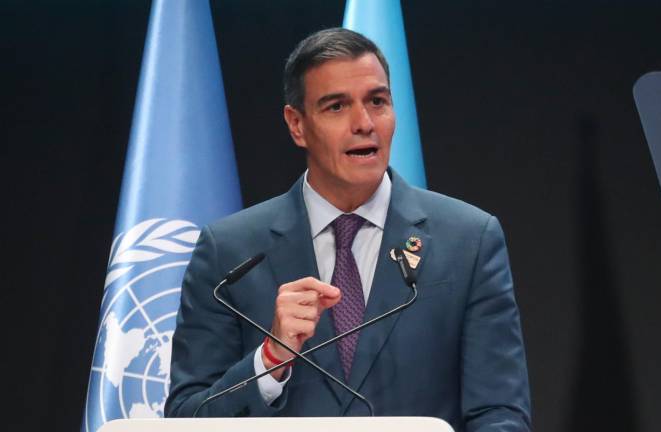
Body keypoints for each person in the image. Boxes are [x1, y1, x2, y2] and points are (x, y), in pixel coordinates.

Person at [165, 28, 531, 431]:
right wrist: (269, 360)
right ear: (297, 125)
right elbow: (185, 419)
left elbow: (499, 414)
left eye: (377, 101)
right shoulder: (229, 251)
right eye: (336, 107)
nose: (364, 123)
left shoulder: (469, 241)